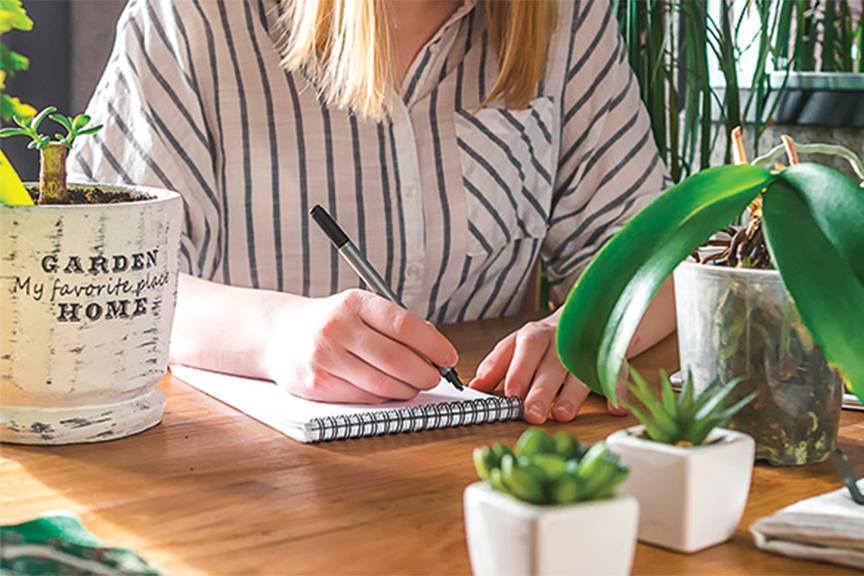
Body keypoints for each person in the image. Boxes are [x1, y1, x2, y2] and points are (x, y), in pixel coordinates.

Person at [70, 0, 675, 424]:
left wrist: (584, 327)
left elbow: (666, 255)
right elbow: (94, 278)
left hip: (490, 454)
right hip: (245, 476)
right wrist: (274, 334)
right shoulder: (189, 19)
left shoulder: (567, 18)